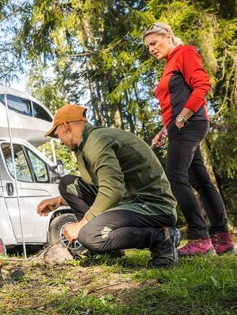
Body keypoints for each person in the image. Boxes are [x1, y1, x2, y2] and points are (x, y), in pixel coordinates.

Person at [36, 105, 181, 268]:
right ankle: (110, 250)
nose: (60, 142)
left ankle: (162, 237)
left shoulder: (96, 140)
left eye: (58, 136)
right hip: (129, 202)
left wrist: (80, 226)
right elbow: (103, 188)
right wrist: (60, 201)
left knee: (89, 235)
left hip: (154, 207)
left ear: (65, 126)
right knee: (68, 184)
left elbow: (112, 190)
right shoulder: (87, 144)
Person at [142, 22, 234, 256]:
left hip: (190, 124)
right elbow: (174, 102)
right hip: (180, 127)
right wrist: (165, 129)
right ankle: (222, 239)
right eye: (147, 47)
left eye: (154, 43)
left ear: (169, 37)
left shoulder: (185, 52)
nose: (151, 49)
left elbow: (202, 85)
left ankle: (199, 238)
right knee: (201, 180)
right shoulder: (168, 65)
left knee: (175, 177)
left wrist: (182, 118)